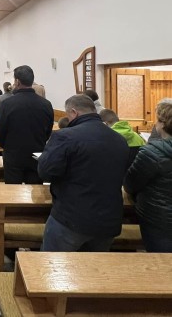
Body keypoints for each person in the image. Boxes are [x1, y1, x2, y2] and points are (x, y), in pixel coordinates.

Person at [38, 94, 130, 252]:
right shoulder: (119, 140)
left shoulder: (65, 136)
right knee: (94, 266)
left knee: (53, 264)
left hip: (71, 216)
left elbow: (46, 172)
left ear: (74, 112)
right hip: (108, 219)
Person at [124, 100, 172, 252]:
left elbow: (130, 184)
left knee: (161, 260)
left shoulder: (152, 153)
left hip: (159, 220)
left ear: (162, 124)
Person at [0, 65, 54, 184]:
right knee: (35, 190)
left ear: (17, 81)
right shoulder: (46, 104)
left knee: (13, 190)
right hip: (36, 153)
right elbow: (48, 131)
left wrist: (6, 146)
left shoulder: (7, 104)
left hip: (13, 154)